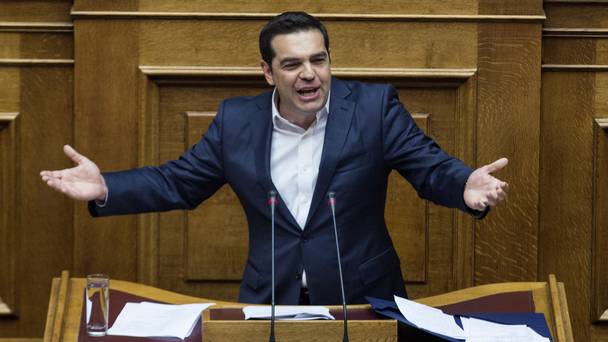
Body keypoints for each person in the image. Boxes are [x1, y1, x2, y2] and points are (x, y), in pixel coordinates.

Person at [40, 12, 508, 305]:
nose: (309, 75)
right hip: (271, 300)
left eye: (318, 60)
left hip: (363, 296)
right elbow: (178, 183)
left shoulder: (373, 108)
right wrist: (107, 189)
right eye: (292, 64)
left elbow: (428, 166)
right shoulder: (236, 122)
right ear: (268, 72)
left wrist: (465, 186)